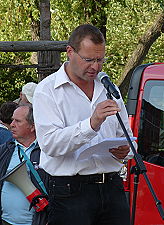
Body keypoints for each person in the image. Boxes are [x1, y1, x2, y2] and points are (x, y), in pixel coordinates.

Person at [33, 24, 135, 225]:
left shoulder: (109, 88)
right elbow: (50, 145)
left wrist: (127, 150)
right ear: (70, 52)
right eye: (89, 60)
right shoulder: (47, 90)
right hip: (70, 191)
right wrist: (91, 124)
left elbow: (128, 138)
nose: (95, 67)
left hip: (112, 186)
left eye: (100, 60)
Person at [0, 104, 48, 225]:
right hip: (5, 221)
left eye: (18, 121)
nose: (11, 125)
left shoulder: (47, 152)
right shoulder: (5, 150)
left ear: (32, 126)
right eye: (12, 120)